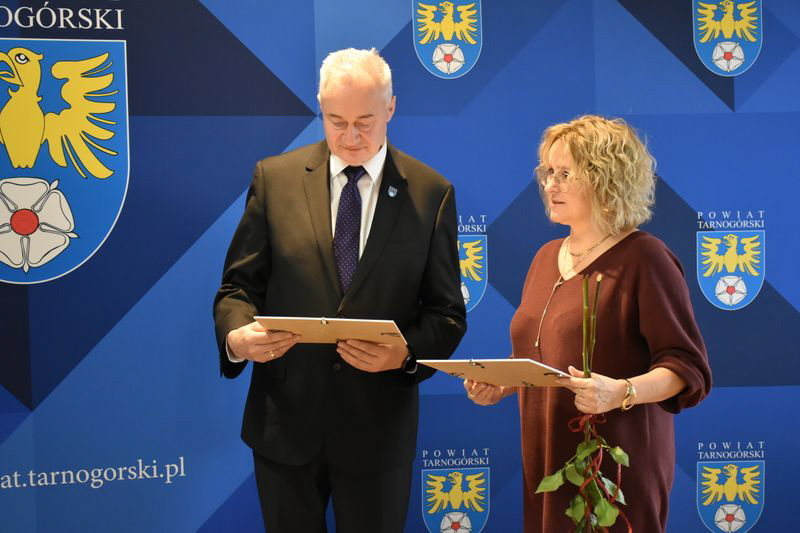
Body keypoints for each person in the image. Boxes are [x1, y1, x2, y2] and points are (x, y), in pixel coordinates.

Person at [213, 48, 466, 532]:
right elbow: (237, 288)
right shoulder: (274, 179)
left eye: (365, 122)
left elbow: (447, 314)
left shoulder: (431, 193)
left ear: (391, 107)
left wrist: (405, 354)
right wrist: (237, 337)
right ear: (321, 108)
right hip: (284, 427)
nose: (351, 137)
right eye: (336, 121)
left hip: (377, 432)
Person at [464, 115, 712, 532]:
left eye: (565, 174)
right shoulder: (545, 257)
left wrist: (622, 391)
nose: (550, 185)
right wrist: (502, 384)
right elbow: (543, 358)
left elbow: (687, 369)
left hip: (614, 469)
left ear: (606, 180)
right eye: (548, 173)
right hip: (547, 460)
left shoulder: (646, 258)